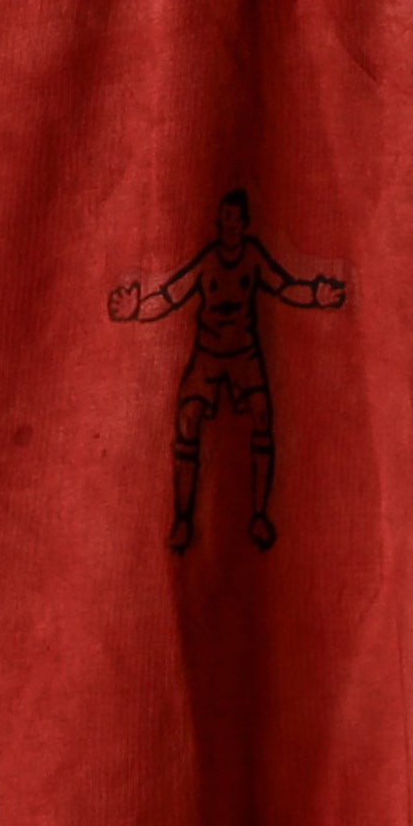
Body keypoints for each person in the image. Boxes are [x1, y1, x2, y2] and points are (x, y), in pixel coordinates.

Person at [108, 188, 346, 554]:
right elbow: (172, 293)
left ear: (245, 224)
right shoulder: (208, 261)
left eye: (236, 219)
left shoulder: (253, 258)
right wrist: (139, 307)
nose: (230, 225)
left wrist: (316, 295)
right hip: (207, 354)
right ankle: (183, 519)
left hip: (244, 355)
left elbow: (285, 286)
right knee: (187, 419)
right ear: (218, 222)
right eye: (226, 218)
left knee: (262, 415)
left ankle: (259, 515)